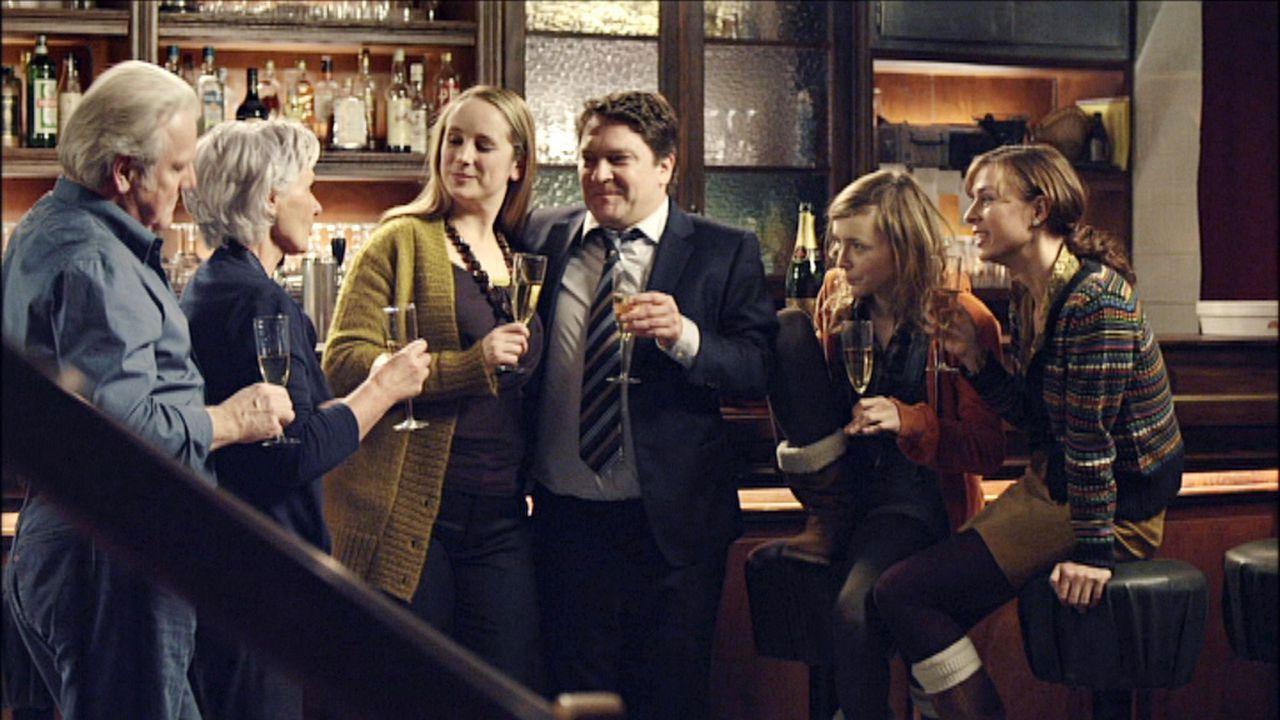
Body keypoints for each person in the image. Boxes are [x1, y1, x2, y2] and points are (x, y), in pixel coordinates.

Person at [0, 60, 294, 720]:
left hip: (75, 545)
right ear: (123, 171)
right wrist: (229, 420)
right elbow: (120, 436)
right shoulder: (96, 262)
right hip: (113, 557)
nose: (189, 183)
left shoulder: (48, 225)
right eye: (177, 166)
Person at [873, 144, 1184, 719]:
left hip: (1114, 506)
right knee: (908, 602)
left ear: (1039, 211)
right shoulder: (1032, 290)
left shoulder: (1094, 301)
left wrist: (1094, 554)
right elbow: (1041, 418)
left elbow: (1091, 444)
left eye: (987, 200)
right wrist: (975, 361)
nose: (970, 216)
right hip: (1057, 487)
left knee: (903, 593)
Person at [521, 90, 777, 720]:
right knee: (576, 702)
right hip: (564, 522)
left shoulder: (723, 248)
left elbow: (757, 366)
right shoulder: (541, 235)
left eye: (619, 159)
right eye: (588, 159)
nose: (599, 174)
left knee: (669, 700)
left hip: (674, 529)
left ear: (665, 166)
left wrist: (686, 336)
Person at [179, 119, 432, 719]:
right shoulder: (259, 299)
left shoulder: (213, 283)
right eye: (308, 186)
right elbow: (292, 452)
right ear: (270, 197)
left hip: (225, 565)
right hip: (262, 575)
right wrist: (384, 388)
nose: (317, 205)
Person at [751, 169, 1005, 719]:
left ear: (902, 248)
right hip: (846, 489)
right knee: (785, 328)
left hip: (915, 503)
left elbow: (988, 450)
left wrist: (910, 421)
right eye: (837, 243)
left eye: (857, 247)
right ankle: (827, 514)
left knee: (853, 610)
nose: (840, 260)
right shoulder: (836, 298)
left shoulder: (963, 318)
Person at [321, 85, 543, 687]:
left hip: (503, 516)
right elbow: (345, 362)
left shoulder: (519, 254)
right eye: (453, 140)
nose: (463, 157)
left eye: (483, 145)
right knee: (418, 694)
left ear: (517, 164)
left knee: (508, 691)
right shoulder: (400, 240)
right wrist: (470, 365)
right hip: (421, 512)